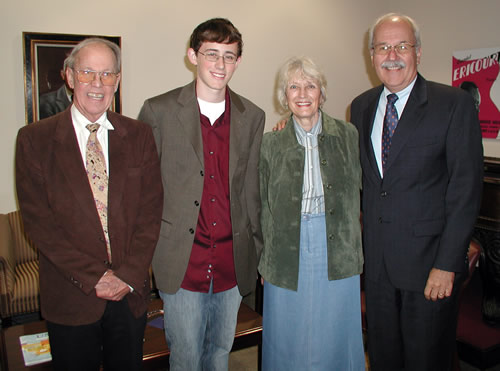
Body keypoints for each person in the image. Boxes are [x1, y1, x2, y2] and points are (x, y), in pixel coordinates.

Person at [15, 38, 163, 371]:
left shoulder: (139, 136)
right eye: (87, 73)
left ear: (117, 80)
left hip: (129, 295)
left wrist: (124, 276)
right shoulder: (34, 140)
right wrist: (96, 277)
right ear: (69, 77)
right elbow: (40, 225)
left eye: (107, 74)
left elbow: (151, 214)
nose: (98, 84)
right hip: (72, 296)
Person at [350, 13, 483, 371]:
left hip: (429, 270)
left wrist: (446, 264)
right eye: (382, 47)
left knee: (428, 361)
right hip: (376, 268)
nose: (391, 54)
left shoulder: (453, 105)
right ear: (372, 54)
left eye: (402, 45)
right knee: (384, 359)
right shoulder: (361, 107)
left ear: (418, 52)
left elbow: (465, 190)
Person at [138, 18, 265, 371]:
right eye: (212, 54)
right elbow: (144, 191)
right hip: (182, 262)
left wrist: (260, 252)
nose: (220, 65)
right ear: (193, 55)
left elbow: (251, 192)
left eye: (229, 56)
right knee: (187, 358)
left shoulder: (252, 116)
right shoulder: (158, 112)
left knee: (220, 353)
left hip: (231, 260)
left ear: (238, 61)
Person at [259, 56, 365, 370]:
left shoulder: (348, 135)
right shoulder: (270, 144)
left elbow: (361, 190)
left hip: (338, 245)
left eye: (310, 85)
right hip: (285, 248)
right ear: (284, 95)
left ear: (321, 92)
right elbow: (263, 205)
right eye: (294, 86)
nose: (302, 93)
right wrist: (266, 258)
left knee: (336, 327)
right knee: (286, 329)